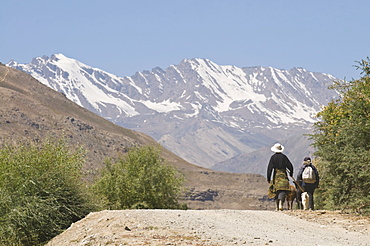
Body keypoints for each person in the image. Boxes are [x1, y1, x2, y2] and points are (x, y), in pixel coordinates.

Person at [267, 143, 294, 211]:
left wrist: (268, 178)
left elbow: (269, 168)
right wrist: (291, 174)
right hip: (283, 175)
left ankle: (277, 205)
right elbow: (290, 166)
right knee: (283, 189)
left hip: (276, 176)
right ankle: (281, 203)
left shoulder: (273, 157)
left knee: (276, 190)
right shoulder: (284, 157)